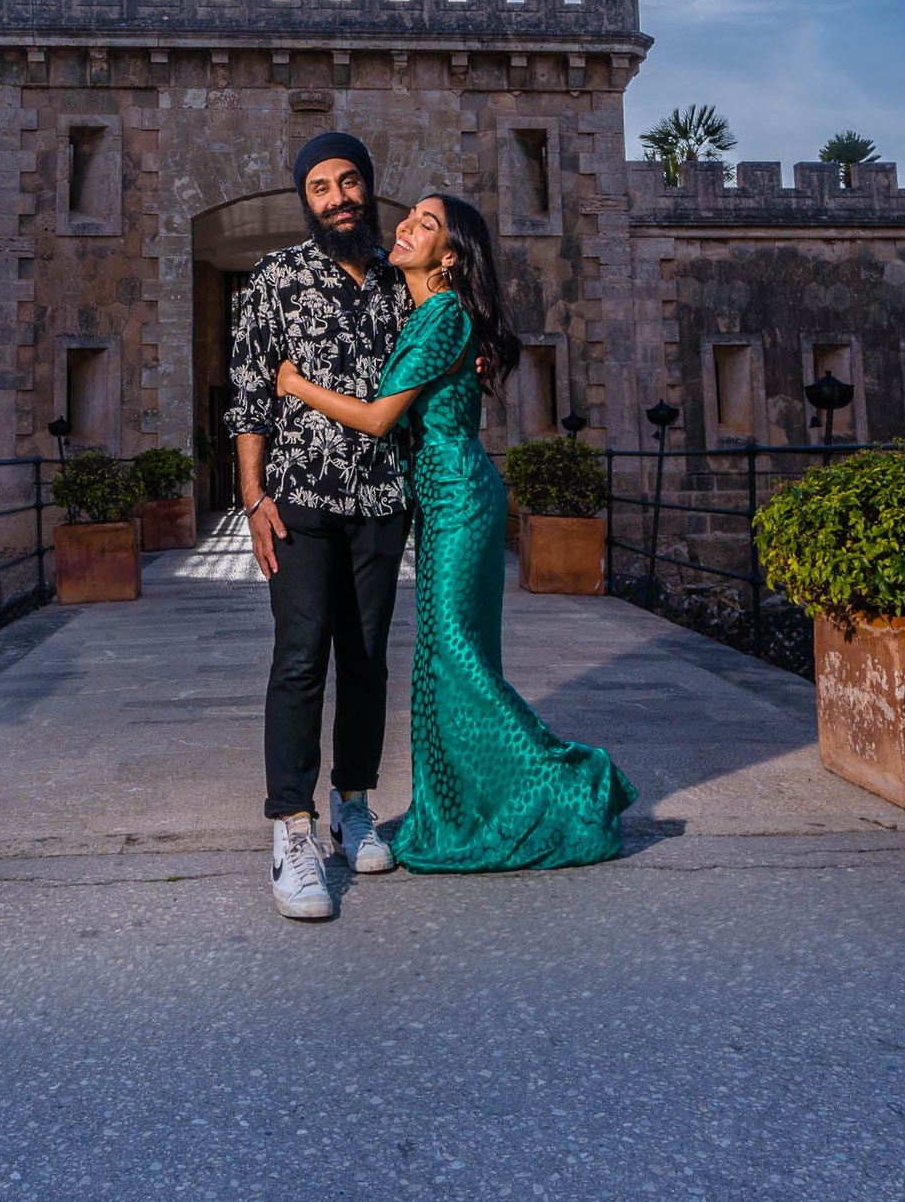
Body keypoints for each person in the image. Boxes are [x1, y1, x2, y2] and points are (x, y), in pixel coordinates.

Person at [277, 193, 636, 872]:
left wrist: (293, 383)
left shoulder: (441, 315)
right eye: (407, 217)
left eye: (426, 224)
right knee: (447, 662)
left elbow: (381, 419)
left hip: (460, 501)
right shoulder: (430, 312)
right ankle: (466, 808)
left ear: (451, 254)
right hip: (444, 502)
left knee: (456, 660)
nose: (406, 226)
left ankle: (573, 785)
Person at [225, 132, 413, 920]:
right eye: (321, 188)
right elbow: (248, 399)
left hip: (382, 501)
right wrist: (253, 498)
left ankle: (355, 804)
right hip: (298, 500)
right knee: (301, 657)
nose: (337, 197)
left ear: (369, 188)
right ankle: (291, 830)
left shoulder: (405, 285)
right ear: (305, 200)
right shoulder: (274, 279)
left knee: (365, 660)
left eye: (349, 183)